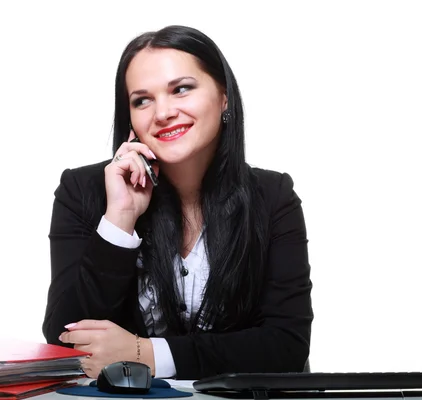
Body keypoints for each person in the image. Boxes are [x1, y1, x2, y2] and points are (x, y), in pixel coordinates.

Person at [42, 25, 313, 381]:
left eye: (181, 89)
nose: (163, 112)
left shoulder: (273, 196)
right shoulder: (84, 190)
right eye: (142, 100)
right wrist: (120, 218)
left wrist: (147, 354)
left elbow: (285, 346)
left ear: (224, 96)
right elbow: (64, 339)